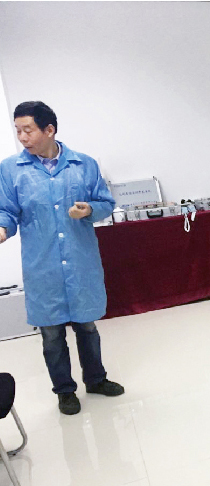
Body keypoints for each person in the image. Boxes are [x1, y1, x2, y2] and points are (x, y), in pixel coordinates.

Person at [0, 101, 124, 415]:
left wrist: (90, 209)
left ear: (49, 129)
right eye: (18, 131)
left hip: (80, 261)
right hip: (42, 265)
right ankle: (65, 392)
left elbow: (105, 202)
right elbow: (6, 211)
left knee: (87, 327)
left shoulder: (84, 165)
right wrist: (2, 228)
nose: (22, 137)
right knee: (52, 334)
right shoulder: (11, 170)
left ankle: (96, 379)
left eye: (28, 130)